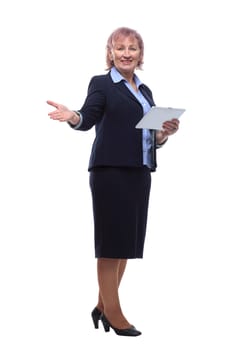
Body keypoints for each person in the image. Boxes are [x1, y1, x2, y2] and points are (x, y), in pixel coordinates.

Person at [47, 26, 180, 337]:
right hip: (111, 173)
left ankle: (101, 304)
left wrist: (164, 134)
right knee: (110, 244)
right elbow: (88, 117)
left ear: (140, 55)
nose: (126, 53)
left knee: (125, 244)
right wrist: (74, 117)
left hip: (139, 173)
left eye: (132, 48)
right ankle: (115, 314)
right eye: (119, 48)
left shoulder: (145, 92)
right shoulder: (102, 84)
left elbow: (149, 136)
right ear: (110, 53)